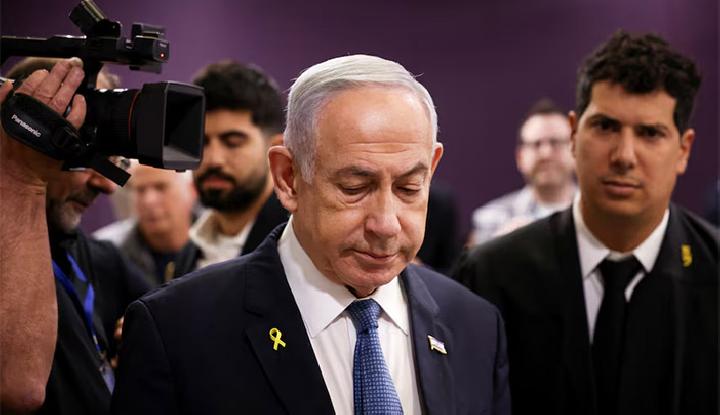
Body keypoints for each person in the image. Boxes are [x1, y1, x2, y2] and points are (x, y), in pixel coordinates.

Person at [112, 54, 510, 414]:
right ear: (288, 178)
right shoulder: (176, 330)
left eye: (409, 188)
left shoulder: (476, 325)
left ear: (432, 168)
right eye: (355, 188)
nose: (386, 224)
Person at [453, 31, 717, 415]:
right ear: (575, 134)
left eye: (650, 133)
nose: (624, 155)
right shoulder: (493, 276)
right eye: (606, 127)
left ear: (683, 149)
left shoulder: (714, 273)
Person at [0, 58, 151, 414]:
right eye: (85, 155)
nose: (107, 185)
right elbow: (19, 389)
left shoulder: (99, 257)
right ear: (25, 134)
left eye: (116, 163)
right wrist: (24, 178)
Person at [172, 60, 288, 276]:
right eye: (201, 143)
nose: (213, 159)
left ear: (275, 151)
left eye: (233, 142)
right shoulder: (187, 253)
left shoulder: (300, 246)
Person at [470, 99, 576, 245]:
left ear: (575, 151)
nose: (546, 153)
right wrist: (498, 248)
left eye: (555, 142)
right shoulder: (492, 218)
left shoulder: (599, 215)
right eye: (536, 144)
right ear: (520, 157)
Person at [94, 162, 197, 286]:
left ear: (191, 190)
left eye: (160, 187)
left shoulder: (215, 248)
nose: (149, 200)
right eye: (140, 190)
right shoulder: (104, 252)